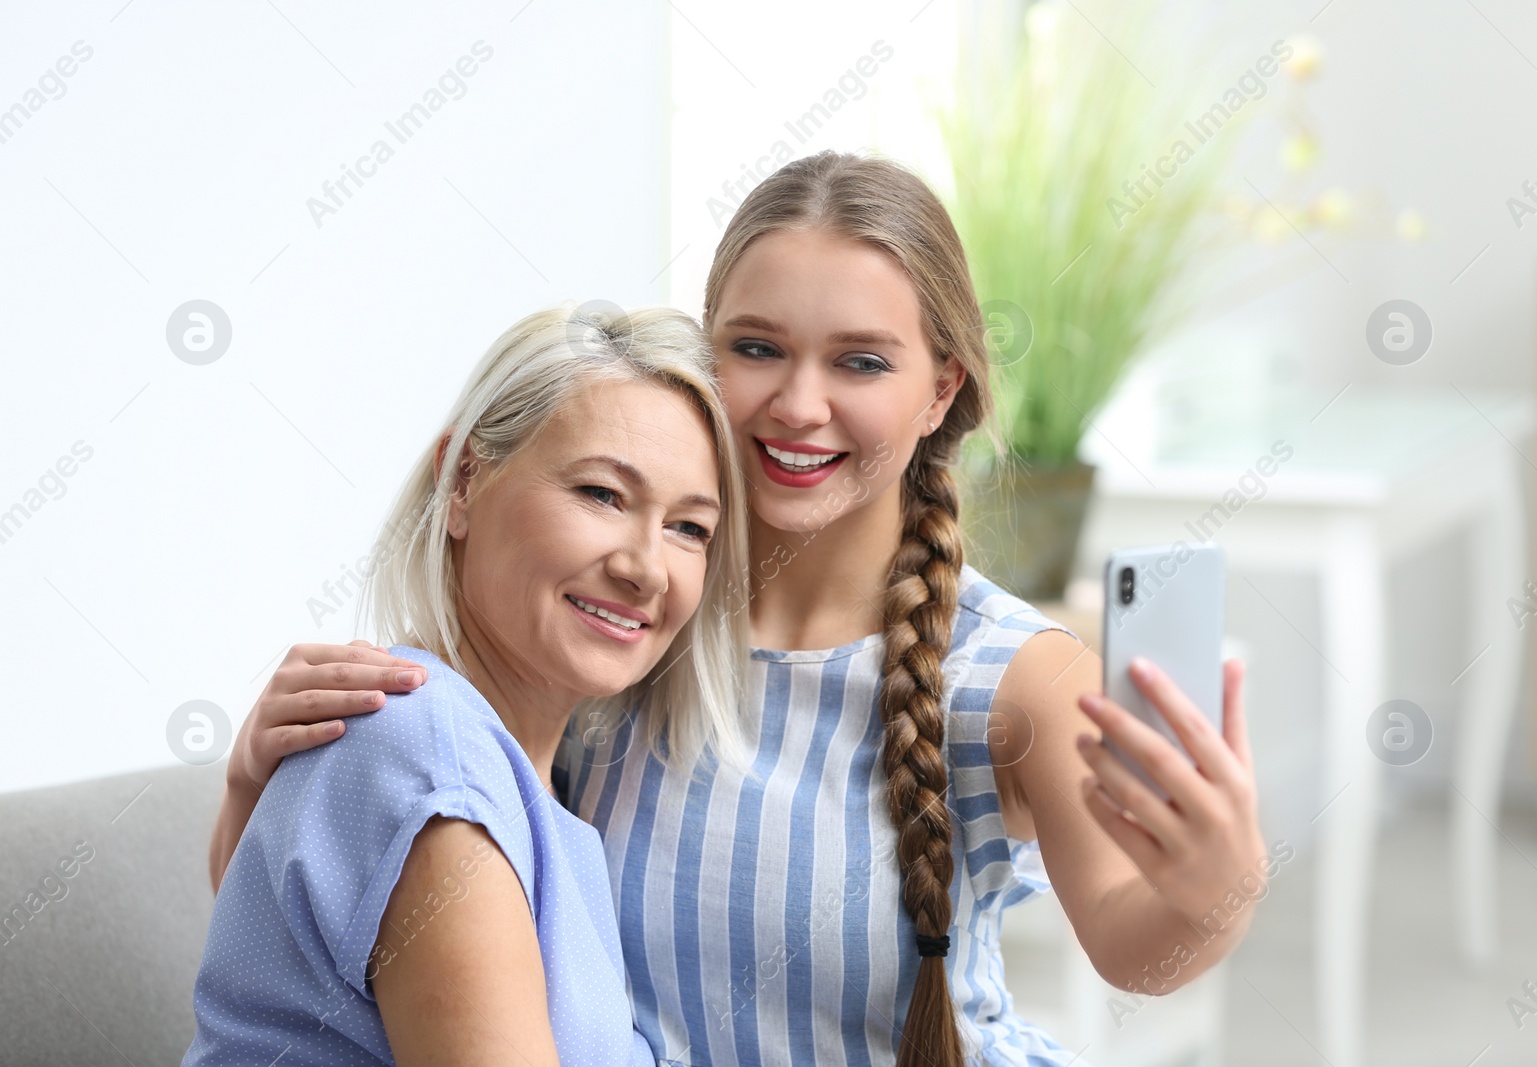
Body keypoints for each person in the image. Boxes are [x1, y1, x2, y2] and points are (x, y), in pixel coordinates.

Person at [211, 152, 1266, 1067]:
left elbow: (1139, 949)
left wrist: (1215, 892)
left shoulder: (1010, 674)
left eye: (859, 361)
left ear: (940, 389)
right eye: (755, 348)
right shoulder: (622, 627)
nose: (798, 404)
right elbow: (355, 941)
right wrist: (267, 787)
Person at [186, 305, 750, 1066]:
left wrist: (246, 793)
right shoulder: (435, 764)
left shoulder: (505, 769)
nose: (646, 567)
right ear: (462, 480)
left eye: (690, 528)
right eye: (601, 494)